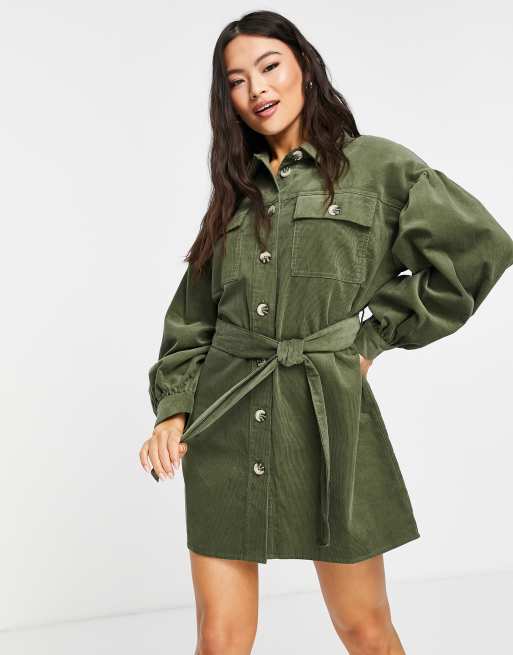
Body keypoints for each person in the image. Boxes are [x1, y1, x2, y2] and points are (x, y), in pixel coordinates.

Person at [139, 10, 513, 655]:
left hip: (328, 417)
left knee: (364, 630)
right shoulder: (235, 194)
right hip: (225, 422)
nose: (256, 89)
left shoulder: (379, 167)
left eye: (269, 66)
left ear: (305, 69)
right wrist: (172, 412)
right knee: (220, 640)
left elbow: (477, 249)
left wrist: (373, 339)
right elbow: (194, 318)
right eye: (236, 80)